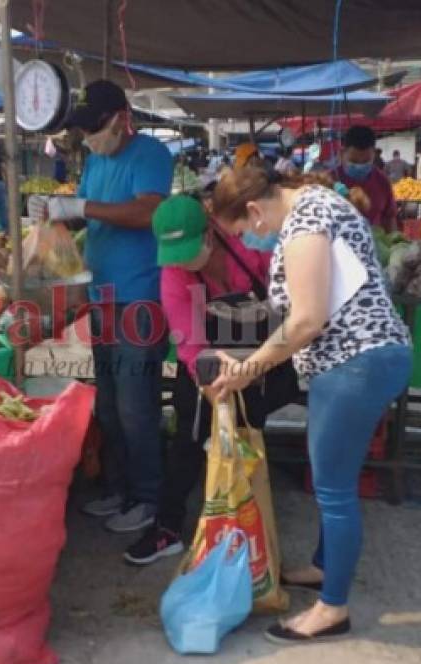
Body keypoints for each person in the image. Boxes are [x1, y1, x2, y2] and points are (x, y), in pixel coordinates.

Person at [210, 166, 412, 645]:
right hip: (360, 360)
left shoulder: (305, 224)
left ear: (255, 210)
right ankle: (325, 569)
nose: (250, 240)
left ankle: (332, 610)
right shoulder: (320, 205)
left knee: (335, 490)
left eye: (244, 231)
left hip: (354, 364)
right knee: (332, 482)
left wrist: (247, 369)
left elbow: (306, 321)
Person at [45, 79, 172, 533]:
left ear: (121, 118)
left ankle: (147, 498)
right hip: (102, 299)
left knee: (138, 408)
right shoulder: (96, 161)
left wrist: (84, 205)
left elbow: (147, 213)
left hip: (140, 301)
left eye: (95, 127)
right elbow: (92, 214)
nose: (91, 138)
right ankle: (118, 489)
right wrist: (62, 211)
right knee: (110, 406)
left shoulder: (152, 155)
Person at [124, 194, 272, 565]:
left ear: (209, 231)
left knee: (248, 436)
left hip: (260, 351)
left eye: (191, 249)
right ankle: (168, 528)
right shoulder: (174, 273)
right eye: (177, 253)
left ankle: (248, 526)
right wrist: (210, 385)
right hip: (207, 354)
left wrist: (260, 362)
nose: (186, 260)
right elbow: (189, 340)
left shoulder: (248, 242)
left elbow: (286, 294)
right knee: (189, 436)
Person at [335, 125, 397, 232]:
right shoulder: (329, 181)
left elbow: (390, 219)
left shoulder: (382, 182)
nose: (359, 165)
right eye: (353, 161)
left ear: (374, 154)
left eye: (366, 161)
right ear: (342, 153)